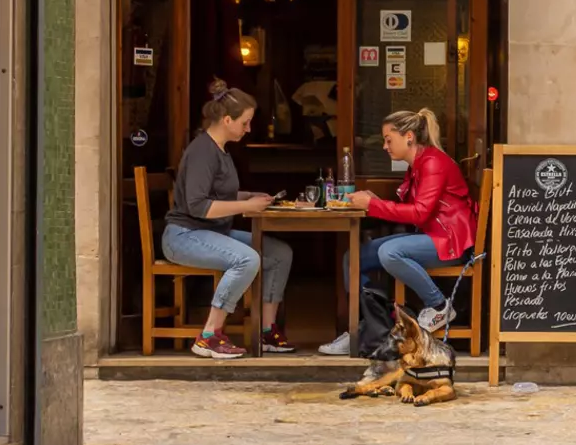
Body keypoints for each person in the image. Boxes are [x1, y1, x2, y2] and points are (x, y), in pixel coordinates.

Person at [322, 109, 476, 355]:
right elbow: (417, 211)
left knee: (389, 252)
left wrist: (372, 205)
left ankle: (438, 306)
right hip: (429, 236)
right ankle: (367, 327)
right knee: (353, 258)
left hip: (449, 241)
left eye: (388, 139)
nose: (384, 146)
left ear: (409, 137)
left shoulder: (433, 162)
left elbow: (419, 213)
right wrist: (374, 200)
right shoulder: (418, 163)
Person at [160, 89, 288, 360]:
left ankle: (267, 331)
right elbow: (198, 206)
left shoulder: (221, 151)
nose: (249, 129)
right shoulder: (201, 152)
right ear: (227, 120)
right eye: (245, 122)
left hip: (211, 231)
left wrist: (252, 197)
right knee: (247, 259)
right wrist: (246, 206)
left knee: (278, 254)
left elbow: (221, 196)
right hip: (185, 235)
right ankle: (209, 336)